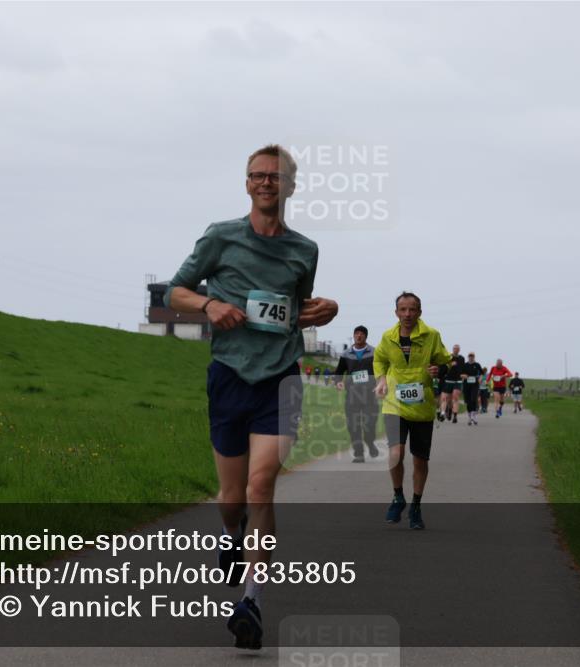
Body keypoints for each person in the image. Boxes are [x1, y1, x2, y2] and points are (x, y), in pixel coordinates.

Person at [164, 144, 338, 650]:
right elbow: (175, 291)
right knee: (232, 499)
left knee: (262, 487)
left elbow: (297, 306)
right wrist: (210, 304)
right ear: (246, 184)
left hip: (281, 378)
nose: (266, 183)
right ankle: (231, 533)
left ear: (290, 187)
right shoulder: (220, 237)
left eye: (275, 177)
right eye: (257, 176)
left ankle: (252, 600)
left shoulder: (305, 250)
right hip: (229, 376)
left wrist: (324, 308)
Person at [374, 292, 451, 530]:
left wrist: (440, 369)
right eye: (403, 309)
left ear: (419, 312)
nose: (407, 314)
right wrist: (381, 380)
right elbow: (379, 360)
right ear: (396, 312)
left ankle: (416, 506)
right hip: (394, 403)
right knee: (396, 452)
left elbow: (445, 362)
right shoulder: (388, 337)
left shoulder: (431, 335)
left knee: (420, 458)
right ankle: (398, 496)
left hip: (422, 405)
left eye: (412, 310)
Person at [334, 326, 379, 462]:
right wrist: (338, 382)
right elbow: (339, 372)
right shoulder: (346, 354)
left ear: (366, 336)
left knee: (370, 424)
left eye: (361, 334)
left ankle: (370, 442)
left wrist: (381, 384)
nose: (359, 336)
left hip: (369, 394)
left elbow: (381, 369)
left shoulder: (374, 352)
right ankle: (359, 453)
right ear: (353, 336)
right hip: (352, 395)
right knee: (353, 425)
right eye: (356, 334)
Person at [463, 352, 482, 425]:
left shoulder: (477, 365)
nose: (471, 357)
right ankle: (469, 417)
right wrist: (463, 376)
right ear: (468, 357)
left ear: (474, 357)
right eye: (470, 356)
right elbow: (461, 374)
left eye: (472, 356)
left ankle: (474, 416)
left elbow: (481, 373)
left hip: (475, 384)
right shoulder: (465, 365)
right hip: (466, 385)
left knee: (473, 399)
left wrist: (480, 378)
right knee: (468, 401)